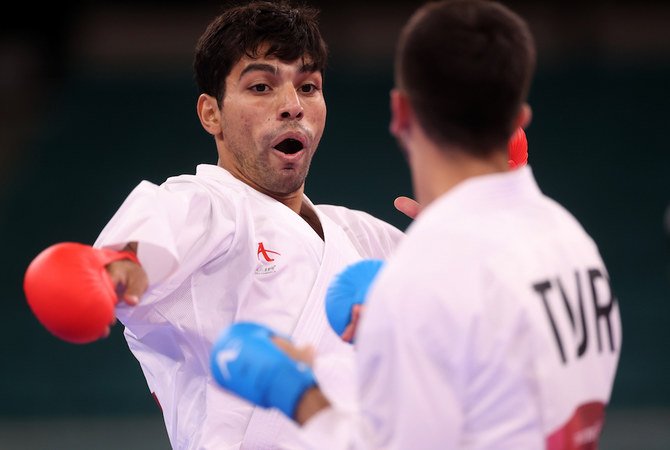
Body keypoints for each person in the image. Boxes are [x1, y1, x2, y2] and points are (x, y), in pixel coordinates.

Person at [210, 1, 623, 448]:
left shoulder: (426, 280)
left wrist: (298, 394)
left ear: (401, 114)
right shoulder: (575, 244)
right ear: (519, 121)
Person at [23, 1, 407, 449]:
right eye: (262, 86)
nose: (291, 106)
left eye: (308, 86)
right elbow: (141, 249)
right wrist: (118, 269)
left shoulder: (366, 235)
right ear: (211, 114)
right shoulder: (207, 206)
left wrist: (491, 218)